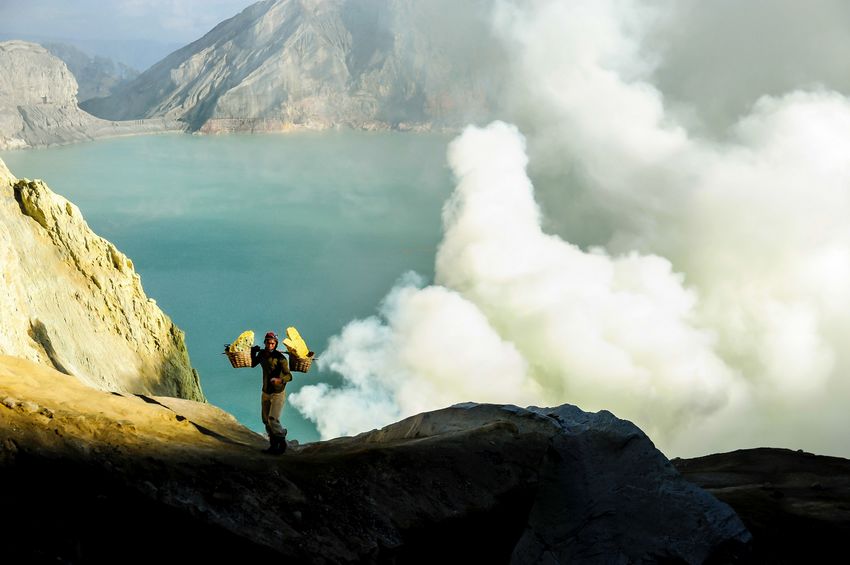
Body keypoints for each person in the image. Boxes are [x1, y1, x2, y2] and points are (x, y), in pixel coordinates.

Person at [250, 331, 293, 454]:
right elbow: (253, 364)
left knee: (273, 419)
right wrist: (253, 352)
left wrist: (280, 380)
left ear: (276, 344)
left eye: (273, 344)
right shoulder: (262, 354)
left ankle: (282, 443)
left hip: (278, 393)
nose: (270, 346)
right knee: (265, 420)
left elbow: (289, 376)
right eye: (268, 343)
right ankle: (273, 446)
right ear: (265, 343)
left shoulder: (281, 359)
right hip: (266, 391)